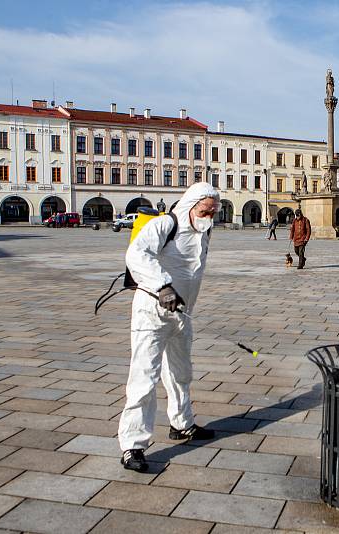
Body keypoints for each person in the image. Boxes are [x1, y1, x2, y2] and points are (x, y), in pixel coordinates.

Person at [117, 182, 220, 472]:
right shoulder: (165, 224)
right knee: (144, 378)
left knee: (180, 372)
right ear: (191, 205)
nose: (209, 217)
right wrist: (163, 286)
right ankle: (133, 446)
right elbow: (137, 255)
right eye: (205, 211)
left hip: (182, 315)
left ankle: (182, 424)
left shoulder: (204, 232)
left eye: (213, 213)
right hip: (152, 313)